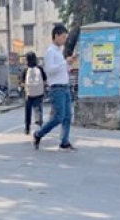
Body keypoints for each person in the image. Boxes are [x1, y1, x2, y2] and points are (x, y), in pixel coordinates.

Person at [33, 24, 77, 152]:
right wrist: (65, 62)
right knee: (59, 117)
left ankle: (64, 142)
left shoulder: (59, 52)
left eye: (65, 38)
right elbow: (50, 70)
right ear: (56, 36)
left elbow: (62, 69)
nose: (64, 40)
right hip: (57, 88)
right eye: (63, 37)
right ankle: (38, 134)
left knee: (68, 117)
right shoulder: (50, 52)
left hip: (65, 87)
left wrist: (69, 64)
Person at [20, 52, 47, 135]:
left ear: (27, 60)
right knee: (38, 109)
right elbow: (45, 81)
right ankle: (39, 125)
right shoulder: (40, 68)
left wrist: (26, 87)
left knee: (28, 111)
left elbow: (22, 83)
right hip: (39, 94)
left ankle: (27, 128)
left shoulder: (25, 70)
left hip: (28, 94)